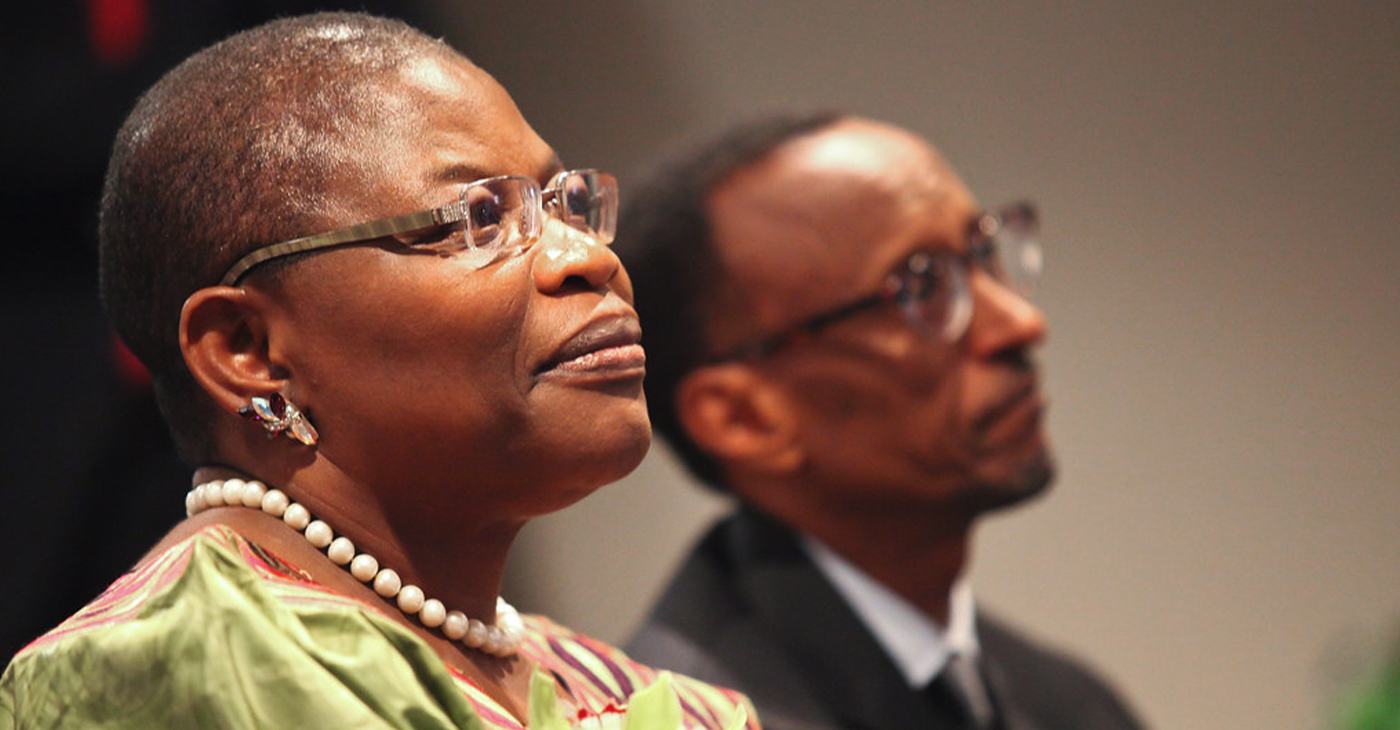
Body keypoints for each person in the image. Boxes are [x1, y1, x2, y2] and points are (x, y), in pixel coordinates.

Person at [0, 13, 755, 730]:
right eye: (481, 219)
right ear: (247, 349)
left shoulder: (606, 680)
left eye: (566, 205)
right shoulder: (193, 652)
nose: (589, 258)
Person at [615, 112, 1148, 730]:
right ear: (745, 418)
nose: (1022, 324)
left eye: (982, 253)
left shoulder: (1068, 703)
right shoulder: (694, 716)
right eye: (921, 287)